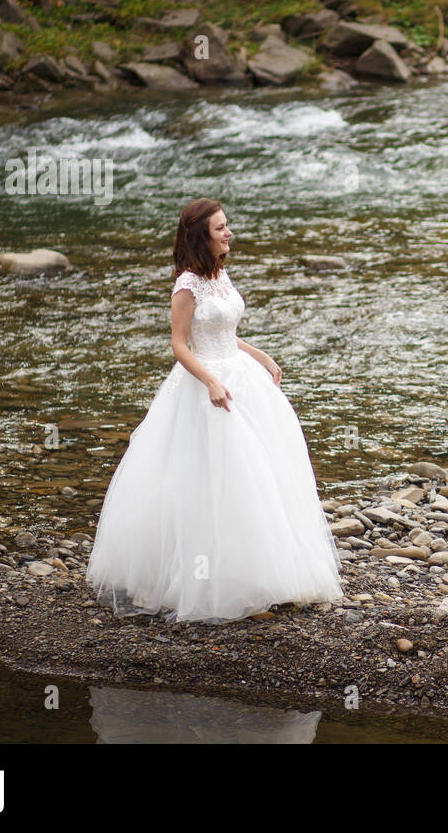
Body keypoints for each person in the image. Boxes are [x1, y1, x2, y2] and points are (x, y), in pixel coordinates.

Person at [85, 198, 344, 623]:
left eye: (227, 226)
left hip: (241, 375)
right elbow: (181, 344)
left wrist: (261, 355)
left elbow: (225, 333)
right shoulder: (187, 285)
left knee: (261, 473)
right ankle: (203, 579)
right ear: (201, 237)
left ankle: (263, 569)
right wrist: (209, 381)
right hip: (207, 384)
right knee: (211, 478)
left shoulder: (220, 274)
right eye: (221, 228)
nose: (229, 233)